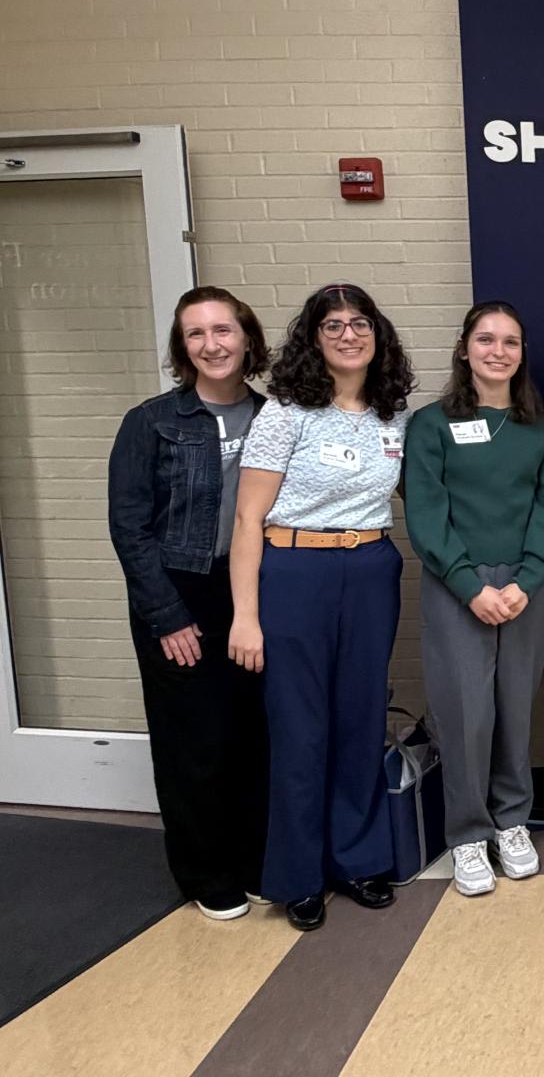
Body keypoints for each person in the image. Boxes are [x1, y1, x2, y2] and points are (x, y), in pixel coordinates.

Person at [228, 283, 415, 932]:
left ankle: (359, 859)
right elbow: (249, 518)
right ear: (313, 338)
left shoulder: (392, 414)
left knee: (361, 716)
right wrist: (245, 615)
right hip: (295, 570)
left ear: (377, 334)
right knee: (300, 726)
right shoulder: (286, 412)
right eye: (332, 325)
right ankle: (299, 875)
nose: (347, 334)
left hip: (369, 567)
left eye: (359, 323)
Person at [108, 287, 271, 921]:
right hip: (180, 591)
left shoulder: (273, 416)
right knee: (194, 742)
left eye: (224, 331)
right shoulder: (151, 422)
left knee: (254, 733)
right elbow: (129, 527)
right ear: (183, 348)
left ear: (247, 338)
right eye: (197, 334)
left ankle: (257, 858)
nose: (213, 344)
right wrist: (167, 615)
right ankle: (206, 872)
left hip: (252, 588)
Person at [404, 301, 544, 897]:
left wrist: (524, 582)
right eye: (486, 339)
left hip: (529, 587)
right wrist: (472, 587)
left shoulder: (541, 429)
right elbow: (426, 515)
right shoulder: (431, 425)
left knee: (516, 711)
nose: (498, 351)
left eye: (510, 342)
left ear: (522, 353)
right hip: (459, 588)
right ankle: (468, 834)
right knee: (466, 713)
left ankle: (512, 822)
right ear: (464, 347)